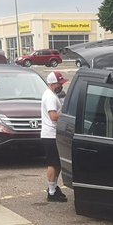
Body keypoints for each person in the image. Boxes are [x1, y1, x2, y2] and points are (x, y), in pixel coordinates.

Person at [42, 70, 67, 202]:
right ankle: (51, 192)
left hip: (53, 134)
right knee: (53, 163)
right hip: (50, 135)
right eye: (59, 84)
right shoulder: (50, 97)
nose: (61, 86)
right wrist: (66, 115)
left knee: (57, 163)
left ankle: (54, 187)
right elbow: (53, 116)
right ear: (52, 83)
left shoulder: (51, 94)